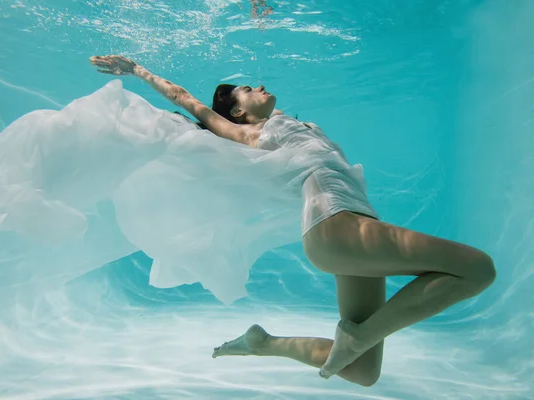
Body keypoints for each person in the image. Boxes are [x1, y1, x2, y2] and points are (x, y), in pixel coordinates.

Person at [90, 55, 496, 387]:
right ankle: (359, 335)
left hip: (350, 233)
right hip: (336, 226)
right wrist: (136, 70)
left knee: (361, 371)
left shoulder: (298, 126)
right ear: (237, 112)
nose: (258, 87)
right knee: (477, 269)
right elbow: (188, 101)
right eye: (247, 90)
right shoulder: (255, 135)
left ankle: (264, 343)